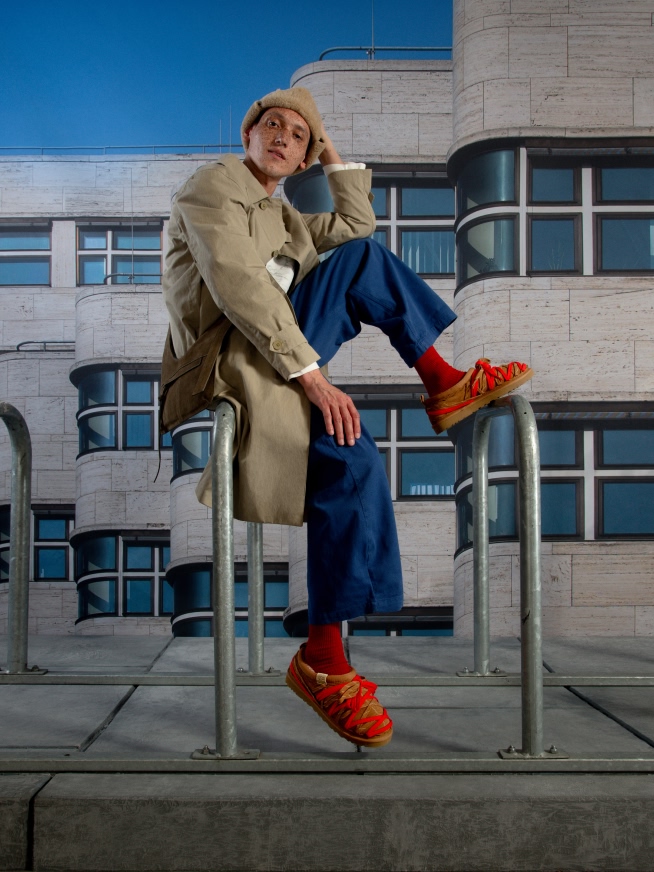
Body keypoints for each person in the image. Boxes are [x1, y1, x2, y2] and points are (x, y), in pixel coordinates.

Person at [162, 86, 532, 749]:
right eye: (271, 126)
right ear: (247, 136)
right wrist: (315, 379)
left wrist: (329, 153)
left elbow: (356, 227)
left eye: (299, 135)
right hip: (234, 354)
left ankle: (443, 383)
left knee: (362, 272)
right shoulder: (211, 187)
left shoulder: (283, 217)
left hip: (276, 344)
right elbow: (240, 286)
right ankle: (325, 662)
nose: (283, 137)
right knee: (346, 439)